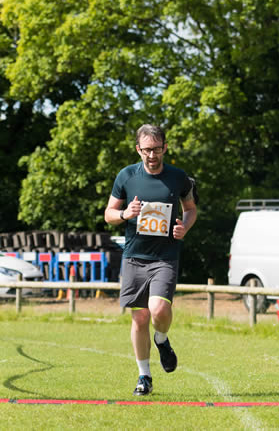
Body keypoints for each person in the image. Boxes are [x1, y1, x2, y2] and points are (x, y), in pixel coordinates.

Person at [104, 124, 197, 396]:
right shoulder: (126, 176)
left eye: (157, 149)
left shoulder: (179, 178)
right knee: (140, 317)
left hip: (165, 257)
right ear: (138, 150)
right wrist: (125, 214)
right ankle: (144, 376)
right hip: (134, 257)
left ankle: (162, 340)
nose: (152, 155)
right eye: (146, 150)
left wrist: (185, 227)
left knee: (158, 310)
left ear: (165, 148)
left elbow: (190, 209)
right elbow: (109, 212)